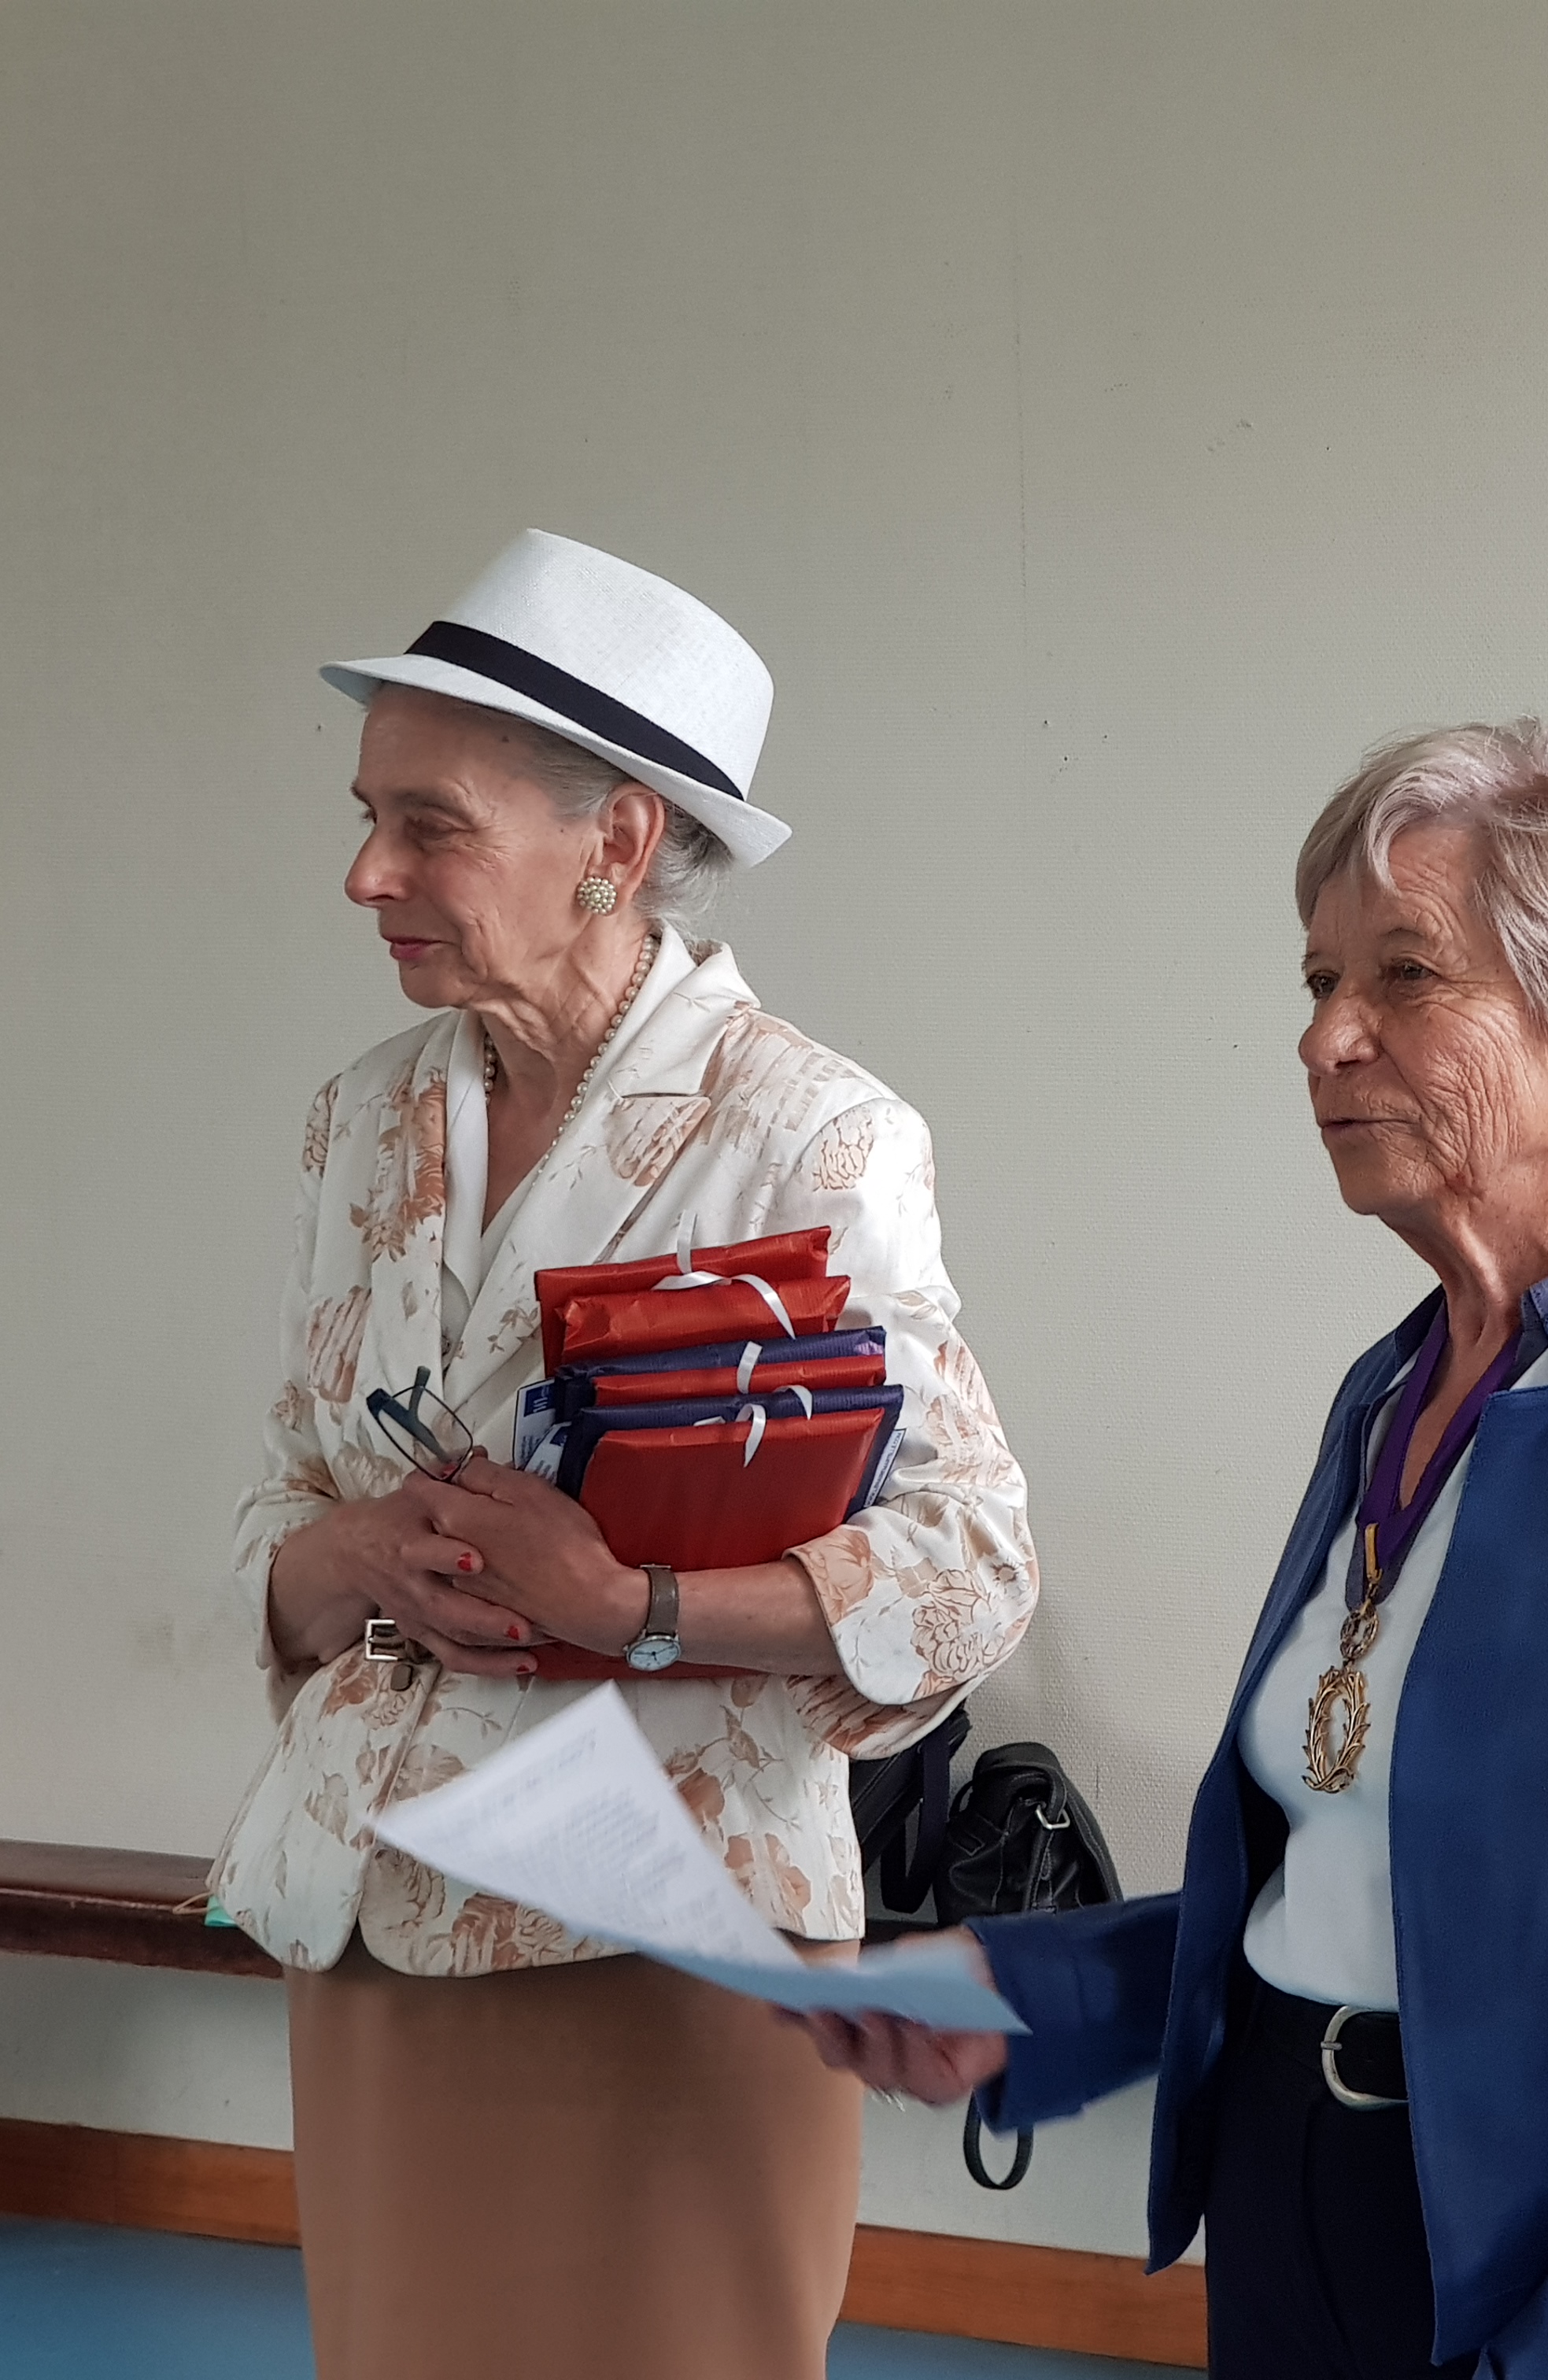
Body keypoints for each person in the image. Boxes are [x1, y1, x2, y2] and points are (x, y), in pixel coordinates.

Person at [796, 718, 1548, 2378]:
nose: (1325, 1038)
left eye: (1406, 976)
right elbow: (1358, 1877)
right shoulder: (1399, 1384)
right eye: (1319, 980)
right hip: (1307, 2205)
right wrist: (1029, 1987)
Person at [211, 530, 1038, 2380]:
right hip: (374, 1926)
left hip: (673, 1953)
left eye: (430, 826)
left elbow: (970, 1568)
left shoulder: (810, 1136)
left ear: (619, 843)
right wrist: (346, 1562)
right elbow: (284, 1492)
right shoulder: (359, 1122)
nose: (367, 874)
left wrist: (631, 1602)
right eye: (369, 818)